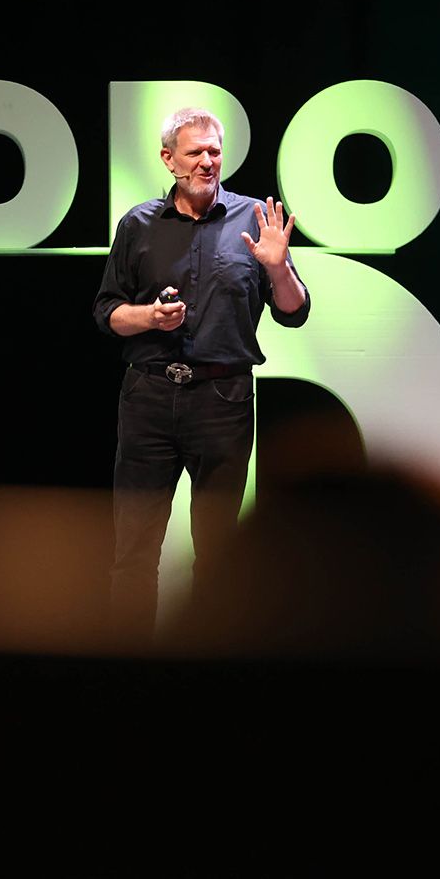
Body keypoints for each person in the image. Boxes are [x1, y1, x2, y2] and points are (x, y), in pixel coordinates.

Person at [93, 107, 310, 645]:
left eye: (215, 150)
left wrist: (278, 265)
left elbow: (295, 310)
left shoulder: (255, 219)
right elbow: (107, 311)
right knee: (134, 551)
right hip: (147, 397)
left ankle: (214, 670)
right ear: (169, 160)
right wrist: (148, 316)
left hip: (222, 398)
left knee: (219, 552)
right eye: (195, 152)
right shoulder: (138, 225)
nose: (208, 161)